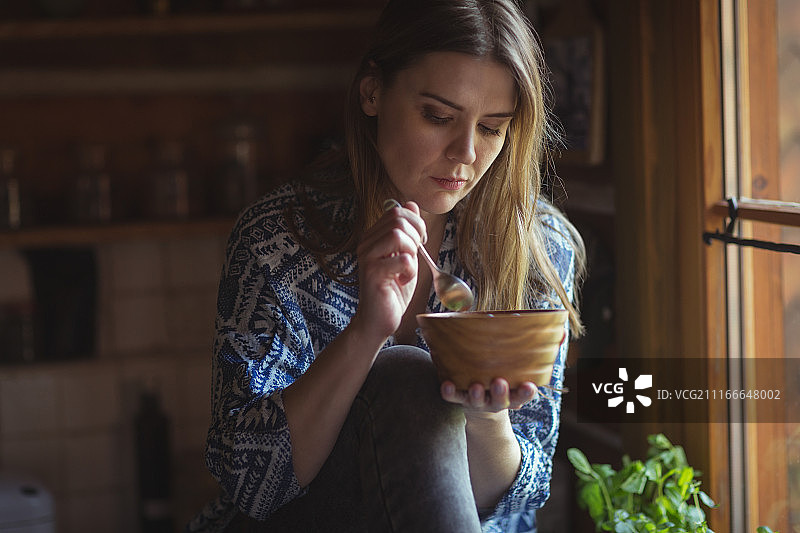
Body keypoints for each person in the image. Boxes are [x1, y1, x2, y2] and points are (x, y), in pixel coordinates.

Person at [187, 0, 585, 531]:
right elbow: (250, 484)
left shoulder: (537, 248)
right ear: (372, 91)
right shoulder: (278, 239)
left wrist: (487, 416)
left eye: (492, 128)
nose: (465, 152)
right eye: (438, 116)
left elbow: (518, 502)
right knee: (403, 374)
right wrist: (367, 332)